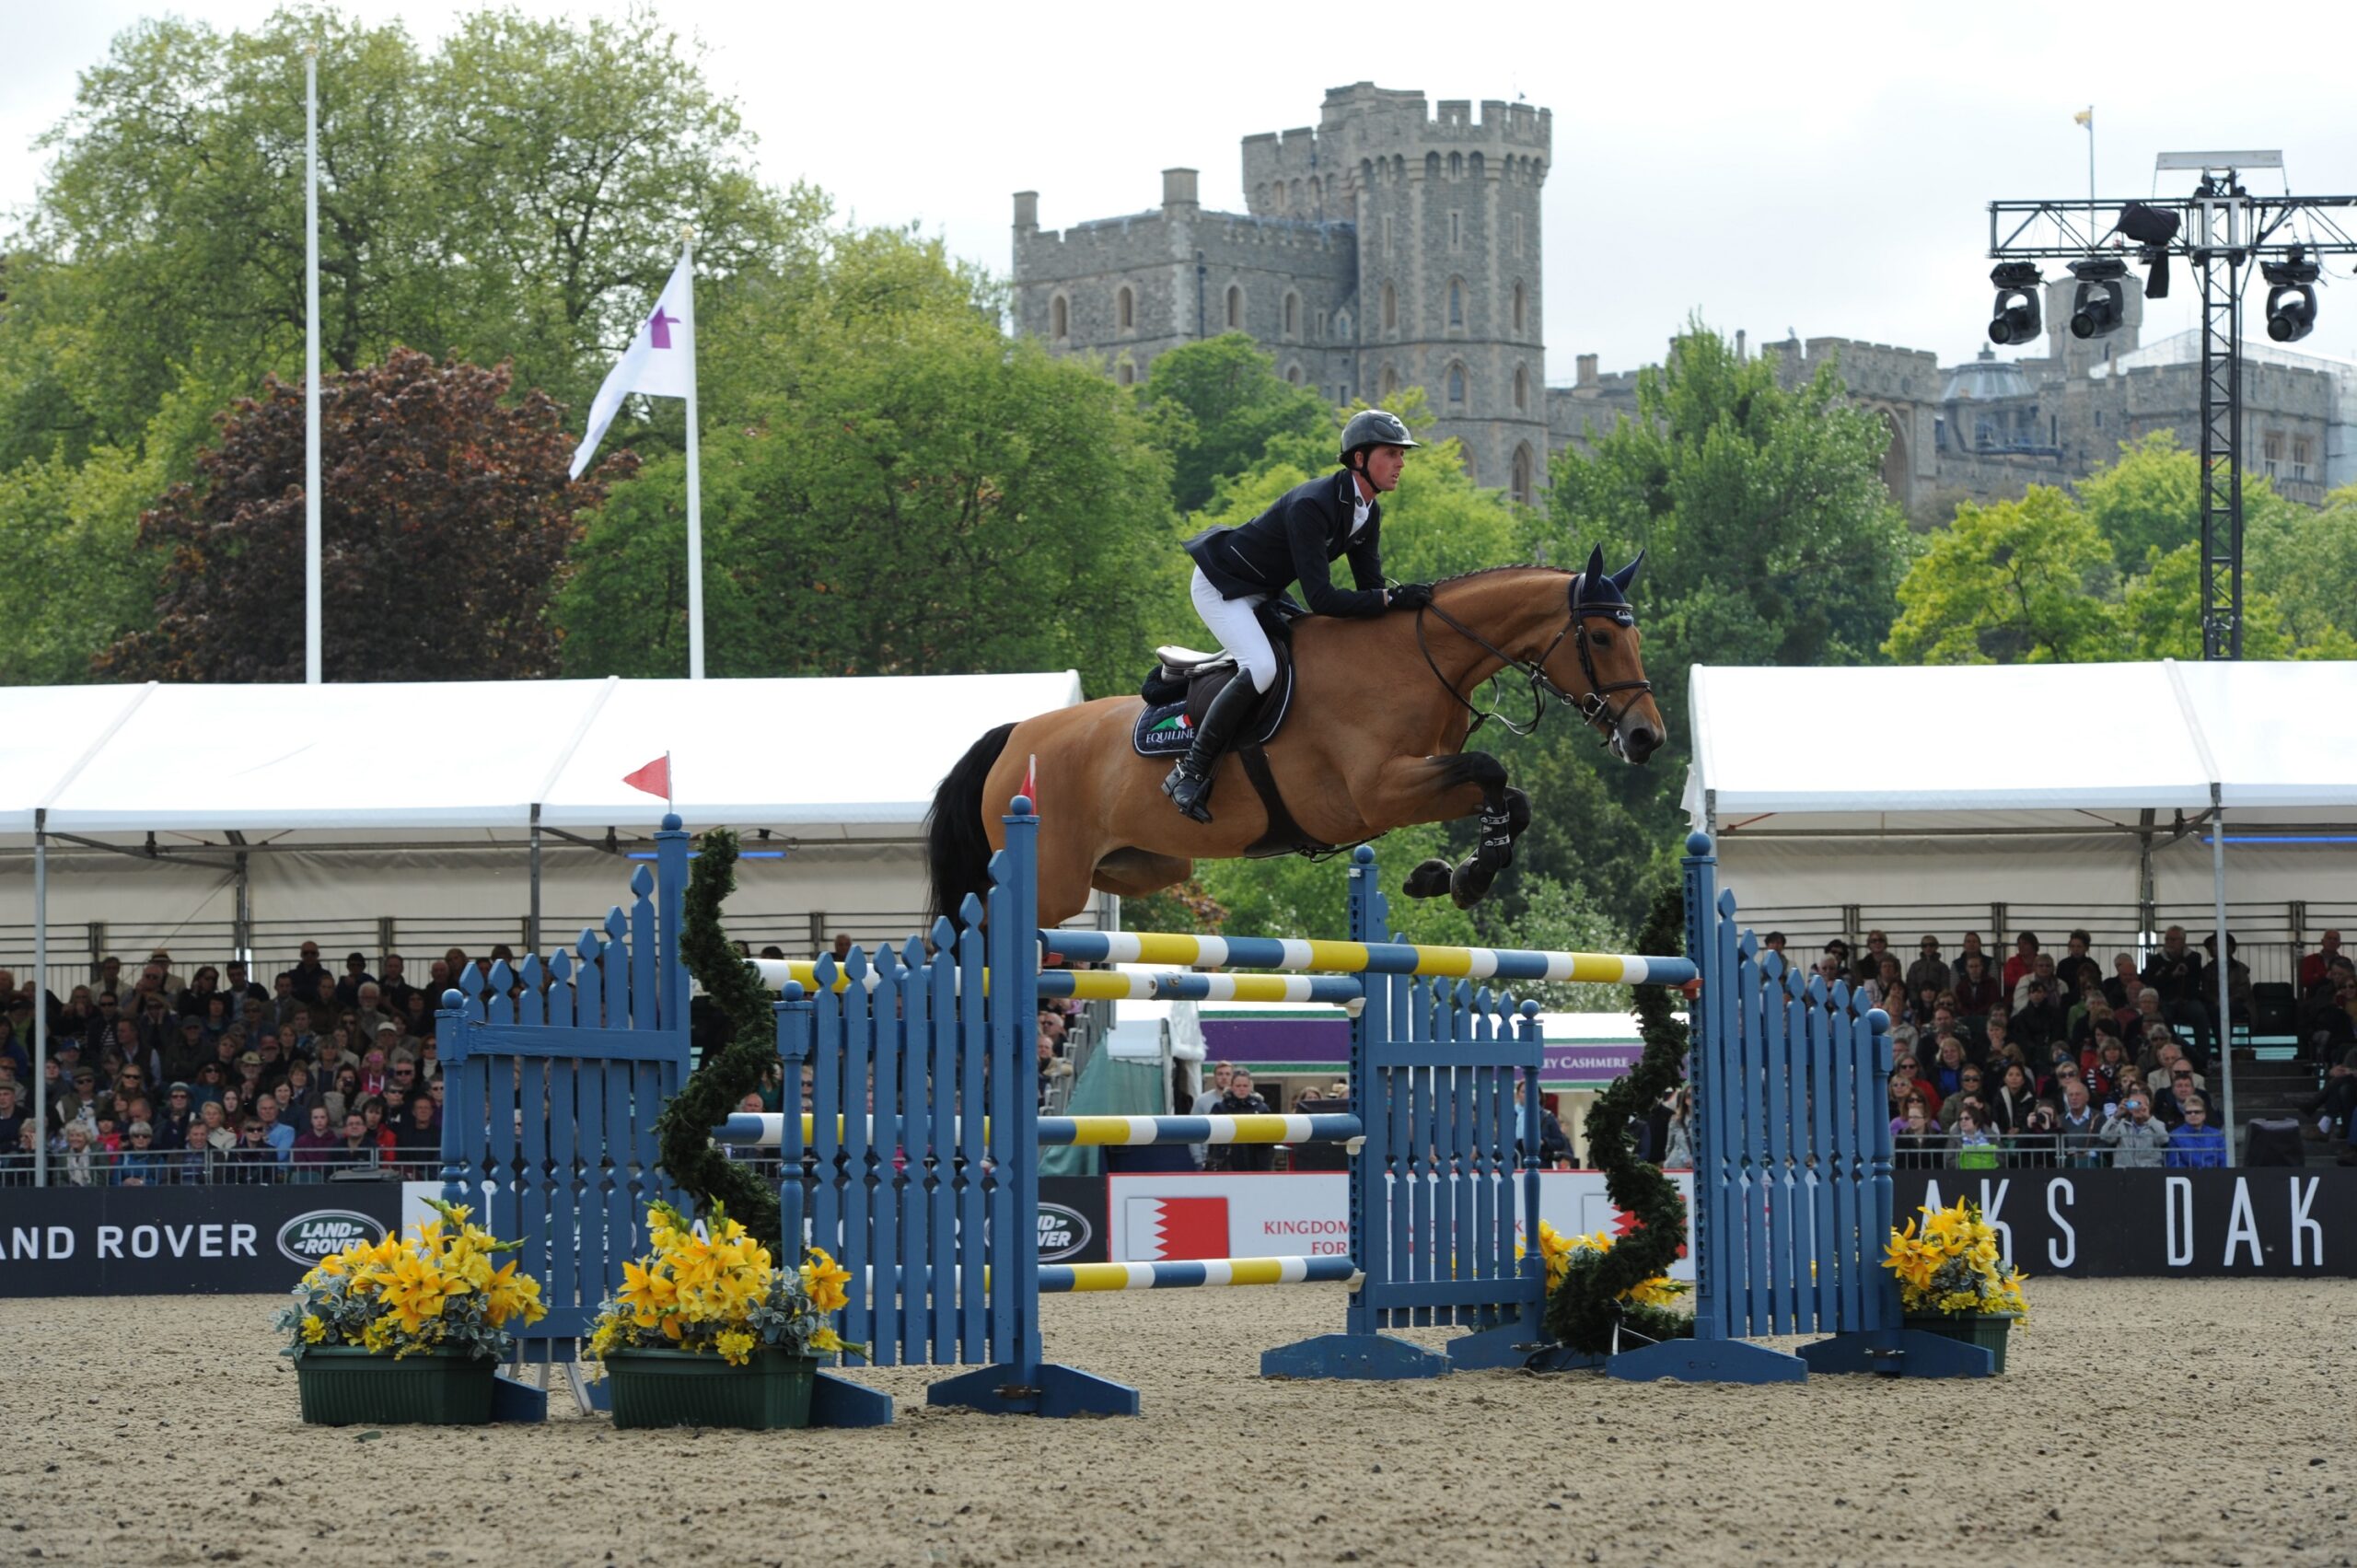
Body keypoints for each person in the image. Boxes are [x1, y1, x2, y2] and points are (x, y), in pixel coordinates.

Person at [1162, 408, 1426, 821]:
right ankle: (1189, 771)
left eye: (1401, 454)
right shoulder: (1313, 504)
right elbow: (1322, 598)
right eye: (1391, 453)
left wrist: (1404, 607)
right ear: (1360, 459)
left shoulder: (1367, 511)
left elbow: (1369, 588)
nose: (1401, 463)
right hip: (1222, 586)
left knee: (1313, 650)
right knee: (1262, 668)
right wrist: (1389, 600)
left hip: (1264, 591)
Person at [1213, 1068, 1274, 1172]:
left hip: (1257, 1163)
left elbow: (1270, 1140)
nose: (1242, 1089)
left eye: (1245, 1086)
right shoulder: (1220, 1108)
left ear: (1250, 1087)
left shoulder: (1262, 1108)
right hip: (1228, 1163)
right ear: (1232, 1087)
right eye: (1238, 1086)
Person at [2100, 1093, 2172, 1168]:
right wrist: (2117, 1116)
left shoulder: (2157, 1124)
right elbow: (2105, 1137)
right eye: (2133, 1104)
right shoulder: (2121, 1124)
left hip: (2149, 1172)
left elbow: (2164, 1140)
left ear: (2148, 1107)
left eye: (2139, 1104)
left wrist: (2149, 1118)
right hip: (2124, 1172)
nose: (2137, 1108)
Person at [2164, 1100, 2227, 1167]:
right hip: (2187, 1175)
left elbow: (2224, 1160)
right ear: (2185, 1115)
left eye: (2197, 1112)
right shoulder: (2175, 1136)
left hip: (2215, 1175)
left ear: (2204, 1115)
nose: (2193, 1115)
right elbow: (2174, 1163)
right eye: (2189, 1112)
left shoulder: (2217, 1134)